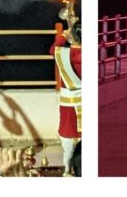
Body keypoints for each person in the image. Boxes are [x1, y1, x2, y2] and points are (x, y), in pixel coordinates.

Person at [51, 21, 81, 175]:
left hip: (69, 106)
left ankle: (68, 171)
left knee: (68, 140)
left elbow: (53, 49)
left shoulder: (63, 54)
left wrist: (64, 35)